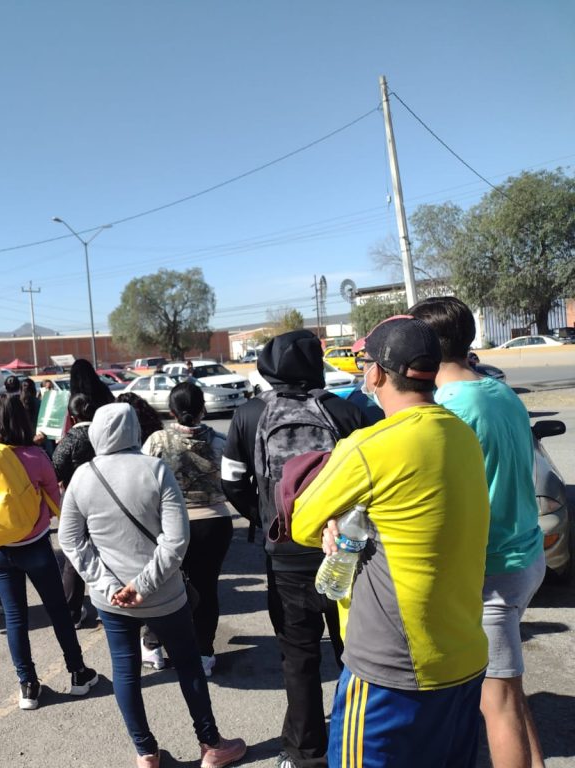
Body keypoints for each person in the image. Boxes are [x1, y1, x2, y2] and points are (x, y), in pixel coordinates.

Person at [290, 316, 490, 768]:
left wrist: (338, 520)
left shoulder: (370, 446)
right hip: (462, 655)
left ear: (377, 374)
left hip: (393, 666)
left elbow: (302, 523)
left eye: (365, 364)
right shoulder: (461, 433)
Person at [59, 403, 247, 768]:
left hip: (111, 598)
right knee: (188, 664)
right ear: (133, 430)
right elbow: (176, 540)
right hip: (163, 593)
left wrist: (107, 583)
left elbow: (71, 541)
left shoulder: (83, 476)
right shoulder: (155, 470)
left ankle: (146, 752)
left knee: (125, 670)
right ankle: (211, 744)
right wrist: (144, 584)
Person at [409, 297, 546, 768]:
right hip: (524, 554)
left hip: (491, 570)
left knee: (496, 702)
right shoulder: (498, 391)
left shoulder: (448, 409)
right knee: (508, 688)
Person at [221, 330, 367, 768]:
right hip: (345, 553)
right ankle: (359, 741)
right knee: (355, 652)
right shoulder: (346, 411)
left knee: (298, 656)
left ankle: (307, 755)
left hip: (284, 557)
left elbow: (232, 482)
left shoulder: (249, 415)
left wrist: (267, 520)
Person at [0, 394, 98, 710]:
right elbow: (55, 501)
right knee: (58, 609)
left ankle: (27, 685)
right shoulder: (35, 455)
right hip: (35, 544)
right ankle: (78, 672)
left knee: (15, 617)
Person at [142, 381, 233, 678]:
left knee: (163, 585)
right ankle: (204, 652)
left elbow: (143, 481)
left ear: (171, 410)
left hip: (171, 524)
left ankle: (153, 645)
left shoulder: (157, 441)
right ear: (203, 409)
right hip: (214, 522)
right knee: (206, 588)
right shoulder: (221, 442)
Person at [62, 358, 116, 628]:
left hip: (77, 487)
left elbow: (58, 459)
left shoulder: (71, 404)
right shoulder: (105, 396)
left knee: (76, 549)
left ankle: (72, 610)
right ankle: (114, 603)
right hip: (109, 481)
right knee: (111, 544)